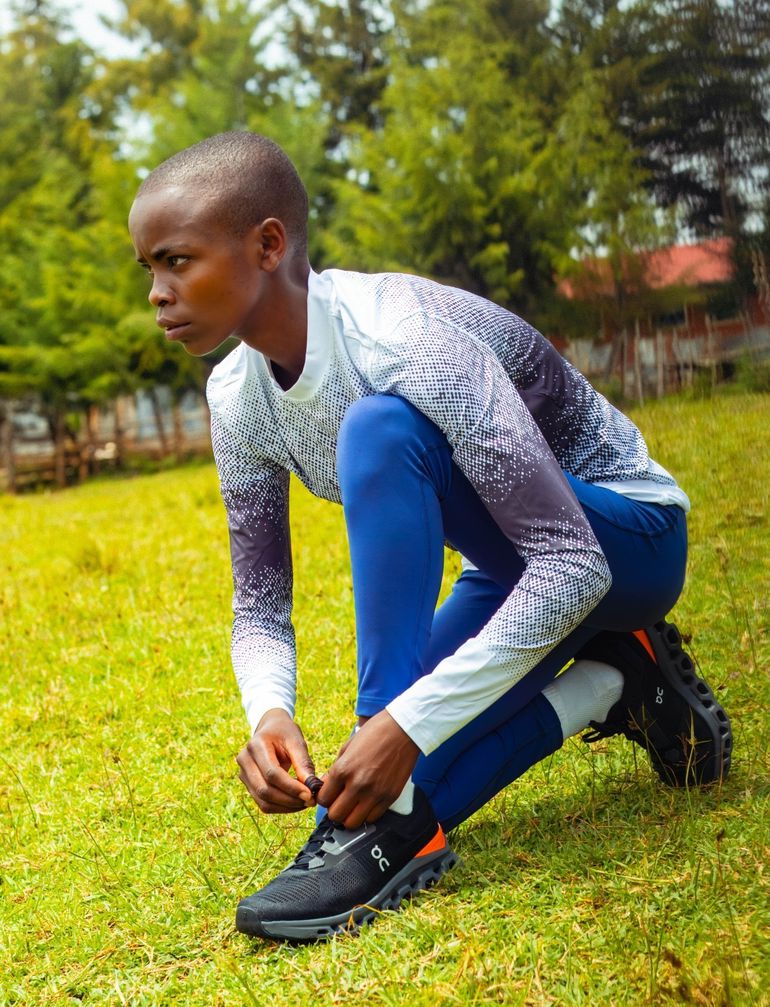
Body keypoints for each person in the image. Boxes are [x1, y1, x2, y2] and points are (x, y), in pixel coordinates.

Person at [128, 131, 732, 942]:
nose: (158, 293)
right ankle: (619, 677)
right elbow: (260, 604)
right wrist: (269, 711)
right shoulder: (236, 395)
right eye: (149, 268)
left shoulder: (399, 336)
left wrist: (401, 720)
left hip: (627, 543)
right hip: (510, 569)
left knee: (380, 428)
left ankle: (393, 762)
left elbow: (572, 563)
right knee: (385, 792)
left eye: (176, 261)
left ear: (268, 245)